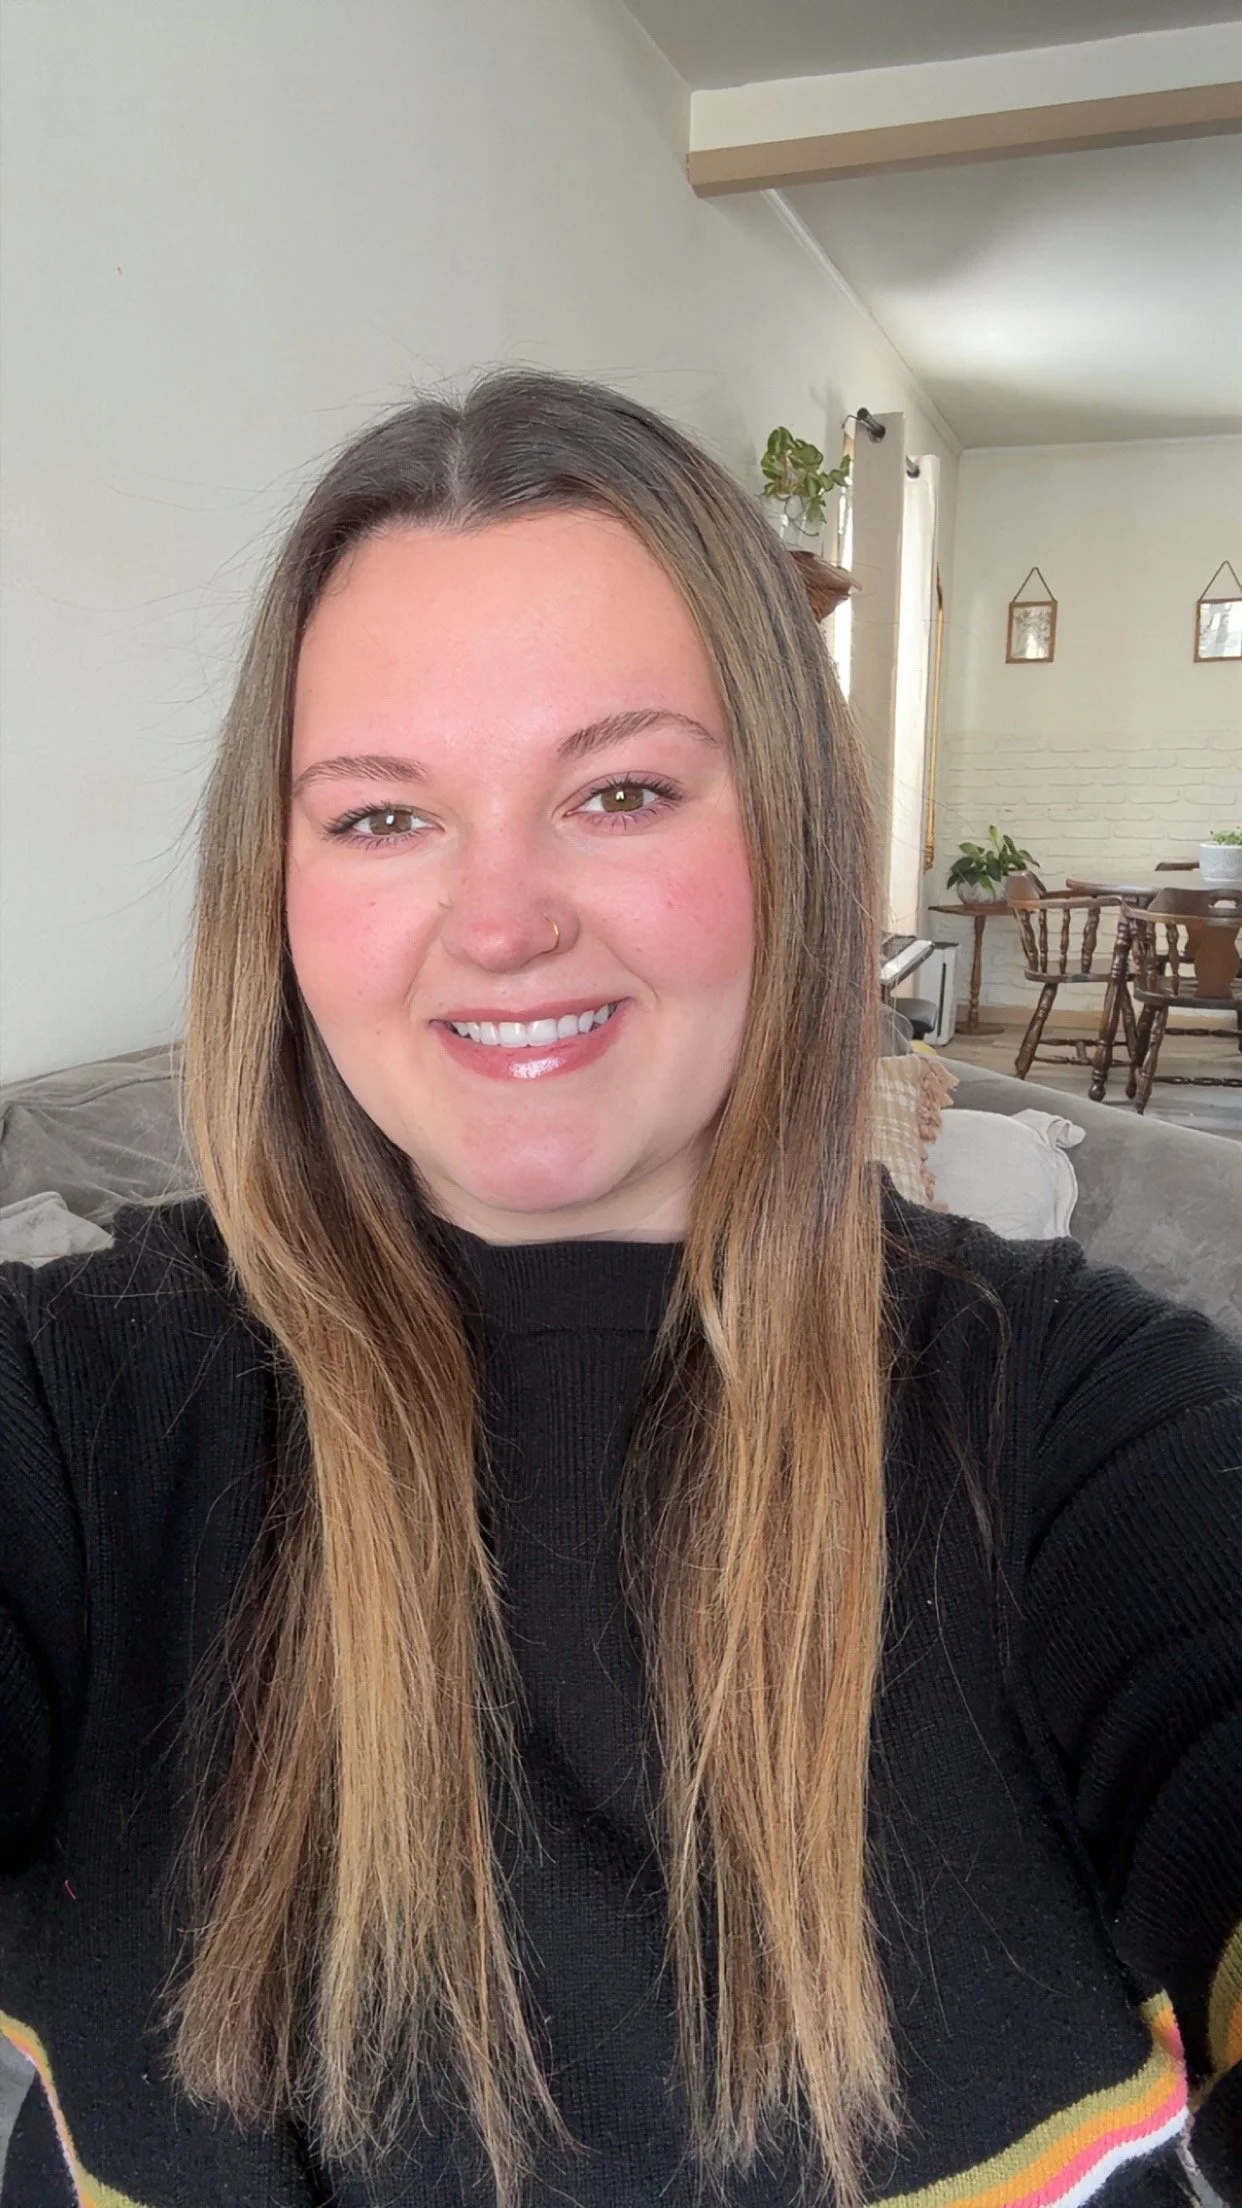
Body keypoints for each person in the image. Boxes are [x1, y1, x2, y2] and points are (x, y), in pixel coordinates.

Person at [0, 370, 1238, 2208]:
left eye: (622, 790)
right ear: (274, 885)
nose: (503, 921)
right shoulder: (73, 1403)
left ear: (793, 839)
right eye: (381, 818)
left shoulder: (1088, 1425)